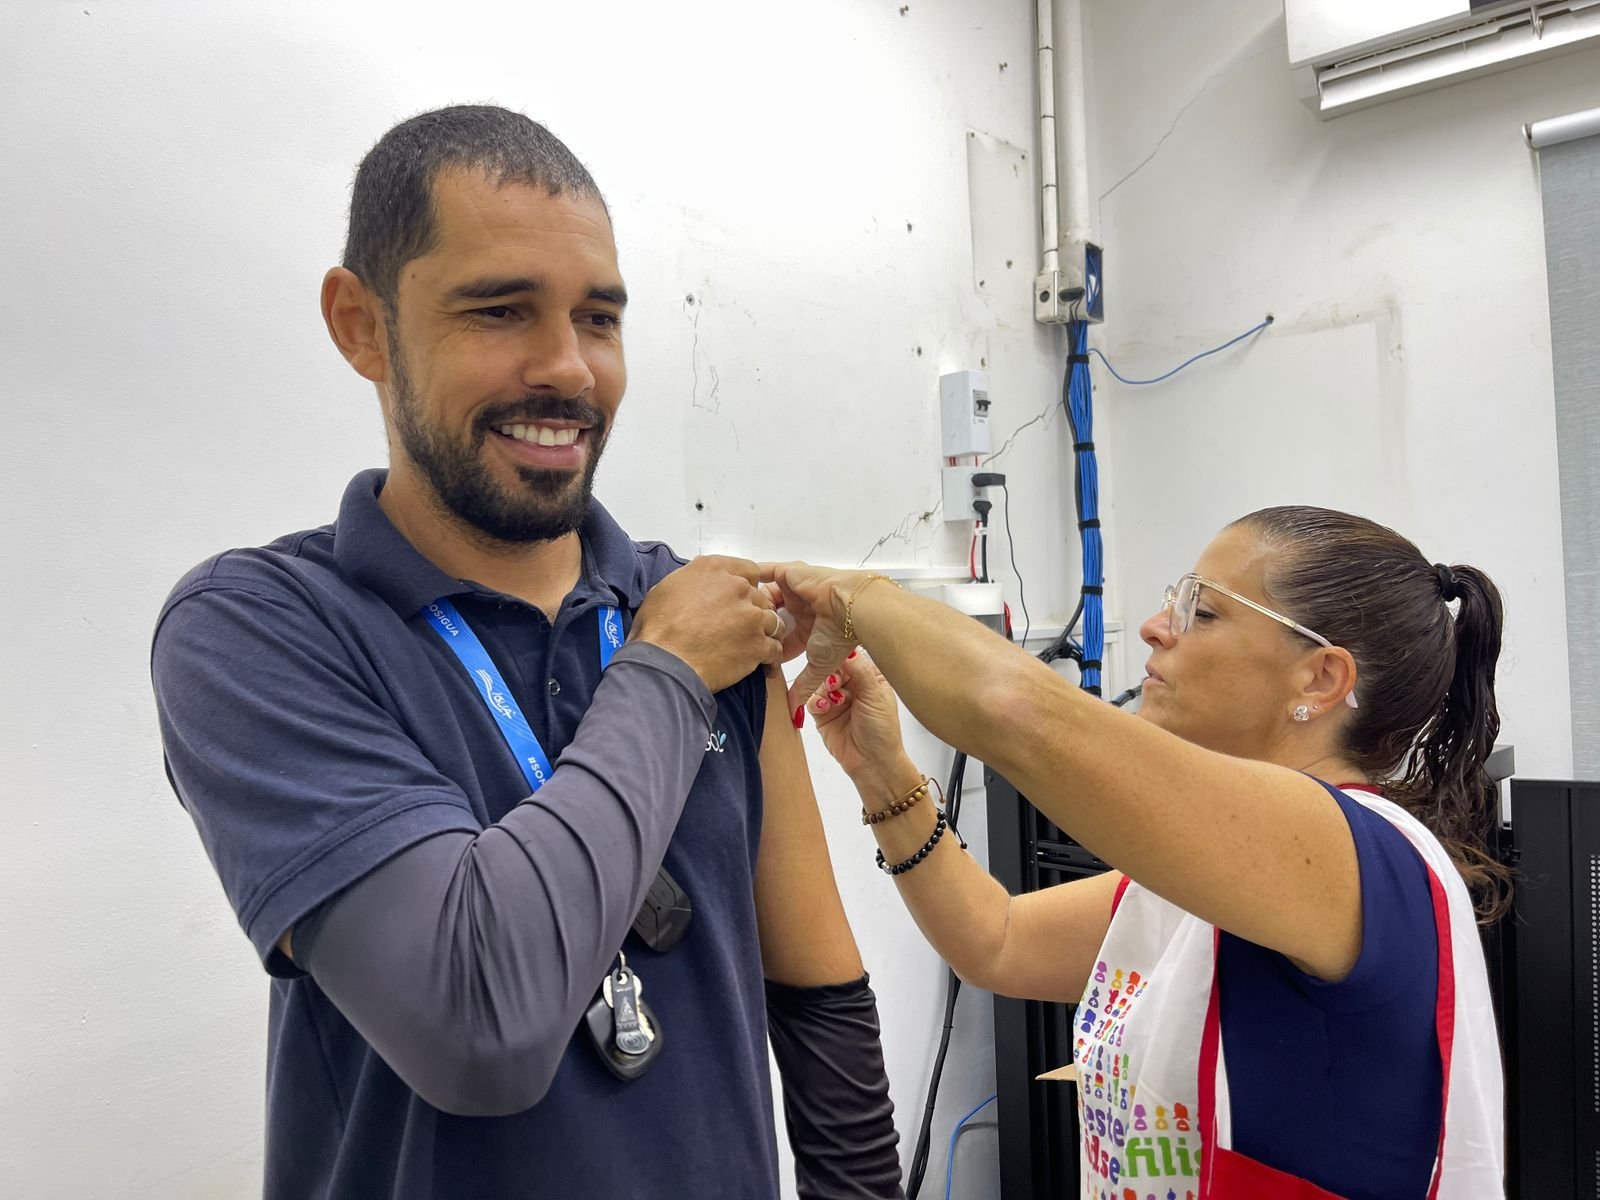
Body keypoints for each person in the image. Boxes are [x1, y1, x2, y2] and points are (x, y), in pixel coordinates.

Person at [151, 105, 902, 1200]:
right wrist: (666, 675)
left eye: (598, 319)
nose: (569, 369)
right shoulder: (260, 628)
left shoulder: (690, 606)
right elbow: (478, 1021)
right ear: (362, 325)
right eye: (500, 310)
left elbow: (818, 986)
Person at [767, 507, 1508, 1198]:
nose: (1156, 628)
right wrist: (880, 769)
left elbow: (1013, 710)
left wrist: (855, 593)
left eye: (1202, 611)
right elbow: (994, 941)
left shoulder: (1345, 849)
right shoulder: (1219, 878)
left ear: (1320, 677)